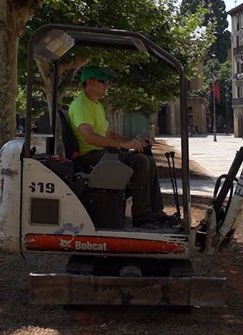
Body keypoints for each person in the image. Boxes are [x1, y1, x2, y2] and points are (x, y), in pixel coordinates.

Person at [68, 65, 171, 228]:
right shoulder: (81, 105)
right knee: (140, 163)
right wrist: (124, 145)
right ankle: (142, 216)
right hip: (89, 157)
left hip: (101, 153)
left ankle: (156, 211)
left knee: (147, 160)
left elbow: (108, 134)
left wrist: (133, 141)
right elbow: (90, 137)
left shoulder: (96, 105)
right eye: (104, 81)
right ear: (91, 82)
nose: (107, 85)